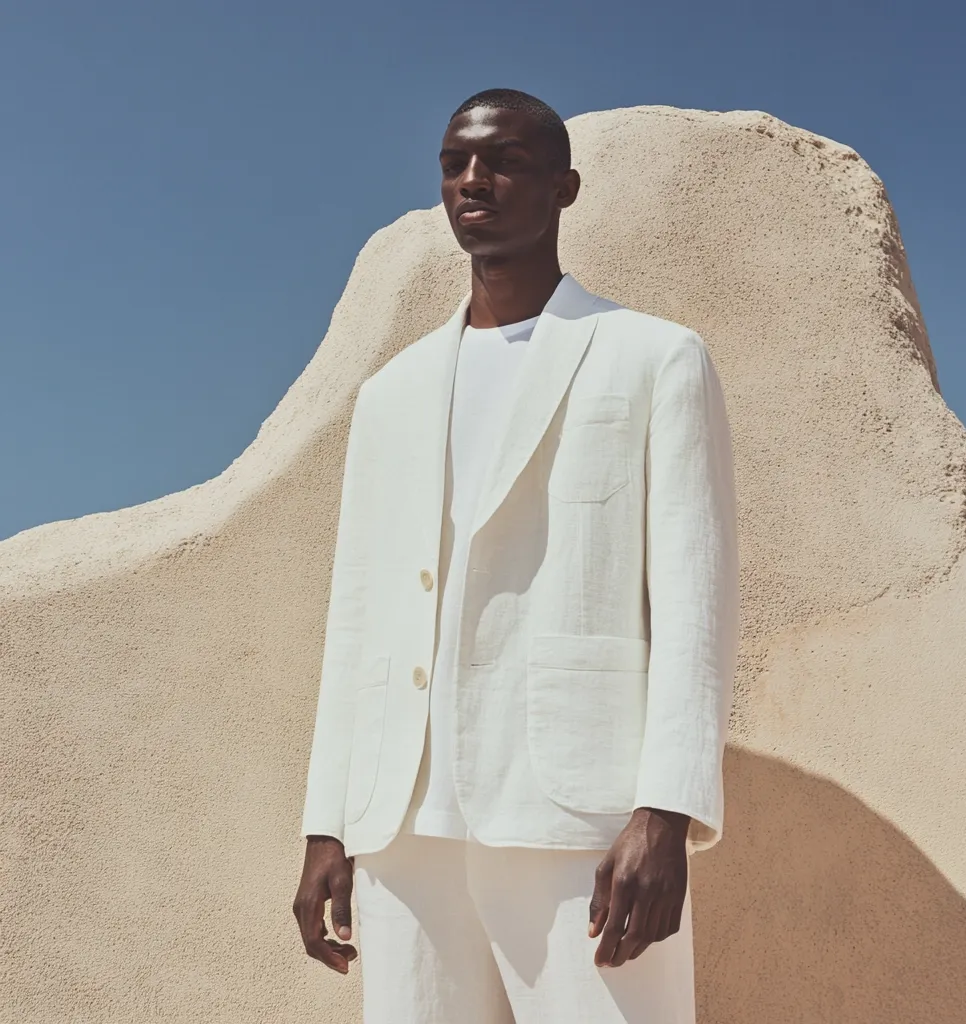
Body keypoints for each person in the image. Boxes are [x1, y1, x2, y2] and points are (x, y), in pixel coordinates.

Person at [292, 87, 740, 1024]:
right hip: (404, 824)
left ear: (565, 188)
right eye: (455, 163)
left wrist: (665, 812)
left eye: (503, 162)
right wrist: (326, 822)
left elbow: (696, 602)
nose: (472, 180)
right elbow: (359, 612)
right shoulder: (391, 394)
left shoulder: (653, 358)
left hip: (579, 816)